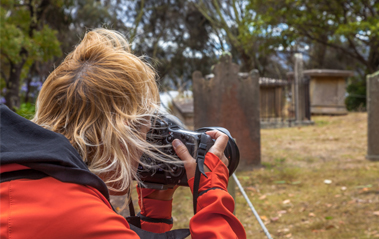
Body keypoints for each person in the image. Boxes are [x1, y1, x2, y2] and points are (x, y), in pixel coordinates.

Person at [0, 29, 246, 239]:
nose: (145, 150)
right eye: (148, 134)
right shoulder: (83, 218)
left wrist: (155, 216)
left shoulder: (19, 174)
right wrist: (212, 197)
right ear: (122, 134)